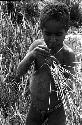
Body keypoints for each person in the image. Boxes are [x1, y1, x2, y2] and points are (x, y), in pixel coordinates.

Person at [16, 2, 75, 125]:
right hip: (35, 108)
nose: (53, 40)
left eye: (58, 34)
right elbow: (19, 72)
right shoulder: (37, 47)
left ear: (66, 31)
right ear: (41, 30)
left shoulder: (67, 54)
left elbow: (69, 87)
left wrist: (56, 67)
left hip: (56, 110)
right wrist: (31, 56)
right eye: (47, 34)